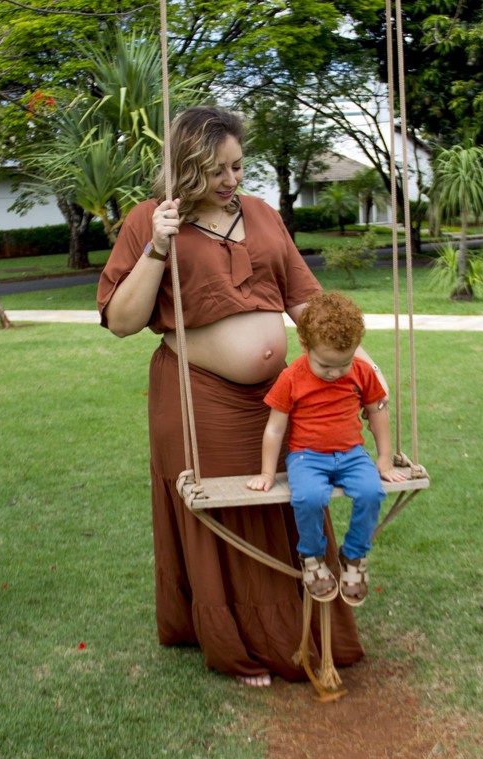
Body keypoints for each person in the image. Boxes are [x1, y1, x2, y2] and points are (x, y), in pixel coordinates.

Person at [96, 106, 390, 688]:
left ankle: (305, 630)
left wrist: (349, 353)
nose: (233, 182)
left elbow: (303, 301)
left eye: (238, 167)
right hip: (197, 400)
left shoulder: (261, 215)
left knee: (290, 507)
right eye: (216, 171)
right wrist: (157, 246)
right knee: (225, 519)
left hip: (283, 400)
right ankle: (237, 644)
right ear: (185, 169)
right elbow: (123, 321)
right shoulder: (151, 221)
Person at [247, 291, 407, 606]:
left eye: (343, 364)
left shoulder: (361, 372)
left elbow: (378, 412)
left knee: (372, 492)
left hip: (352, 455)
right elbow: (275, 427)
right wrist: (267, 473)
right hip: (308, 458)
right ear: (305, 346)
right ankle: (312, 558)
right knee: (308, 498)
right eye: (325, 365)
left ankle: (354, 556)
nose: (335, 373)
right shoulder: (291, 378)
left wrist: (385, 460)